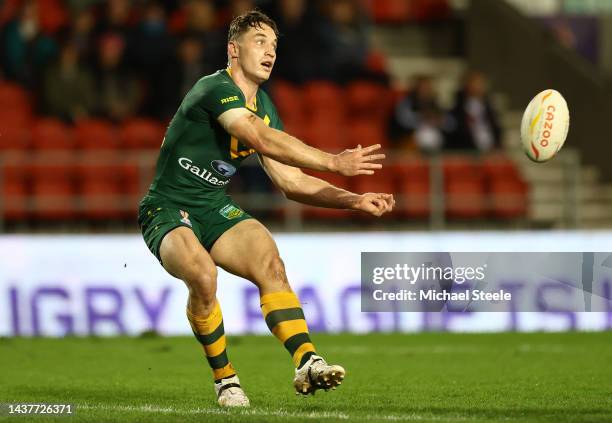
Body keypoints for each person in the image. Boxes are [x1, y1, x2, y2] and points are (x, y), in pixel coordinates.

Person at [137, 10, 394, 407]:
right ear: (233, 49)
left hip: (213, 206)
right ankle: (226, 380)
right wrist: (333, 161)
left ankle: (307, 361)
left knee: (271, 263)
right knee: (203, 277)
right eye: (260, 40)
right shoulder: (214, 88)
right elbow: (255, 134)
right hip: (167, 208)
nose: (270, 50)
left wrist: (353, 199)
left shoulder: (266, 105)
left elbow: (291, 182)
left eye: (274, 44)